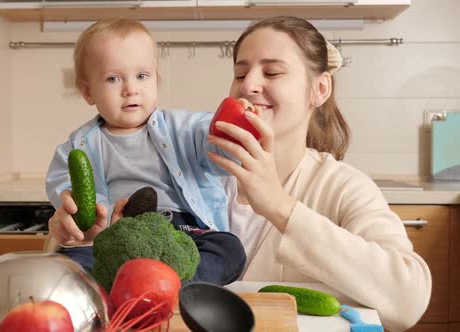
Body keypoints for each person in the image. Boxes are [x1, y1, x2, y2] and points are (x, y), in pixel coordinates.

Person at [205, 16, 431, 332]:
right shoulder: (201, 178)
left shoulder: (344, 187)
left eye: (272, 72)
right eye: (240, 73)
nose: (248, 84)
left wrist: (280, 207)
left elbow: (408, 301)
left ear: (320, 89)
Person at [45, 17, 245, 285]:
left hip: (184, 232)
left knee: (228, 249)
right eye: (113, 78)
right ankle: (131, 286)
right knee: (70, 263)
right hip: (117, 239)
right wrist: (83, 217)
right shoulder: (78, 146)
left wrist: (234, 125)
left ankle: (179, 284)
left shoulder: (182, 128)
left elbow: (220, 152)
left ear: (155, 80)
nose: (130, 89)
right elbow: (65, 189)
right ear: (88, 92)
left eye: (142, 76)